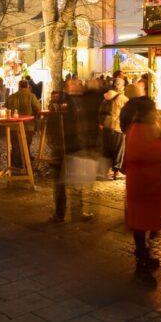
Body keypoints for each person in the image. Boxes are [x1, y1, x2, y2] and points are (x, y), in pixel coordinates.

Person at [123, 98, 161, 285]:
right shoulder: (137, 130)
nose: (156, 112)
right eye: (153, 109)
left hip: (153, 188)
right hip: (143, 188)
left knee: (151, 225)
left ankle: (144, 255)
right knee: (141, 226)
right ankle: (142, 263)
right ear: (146, 112)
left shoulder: (151, 127)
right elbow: (145, 154)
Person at [49, 87, 94, 222]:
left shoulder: (70, 113)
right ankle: (60, 214)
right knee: (61, 185)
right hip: (62, 151)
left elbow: (78, 129)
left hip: (70, 150)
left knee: (73, 183)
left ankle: (72, 213)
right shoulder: (55, 114)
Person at [7, 79, 42, 169]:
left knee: (15, 145)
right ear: (28, 86)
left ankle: (16, 164)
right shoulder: (31, 96)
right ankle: (24, 163)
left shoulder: (11, 97)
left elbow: (5, 109)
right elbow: (38, 108)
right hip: (28, 125)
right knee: (26, 143)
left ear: (19, 86)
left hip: (13, 125)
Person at [100, 85, 129, 180]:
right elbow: (129, 111)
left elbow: (100, 112)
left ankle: (106, 170)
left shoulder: (105, 98)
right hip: (117, 128)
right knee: (119, 150)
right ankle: (116, 172)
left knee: (107, 149)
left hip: (106, 128)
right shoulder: (122, 98)